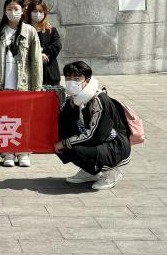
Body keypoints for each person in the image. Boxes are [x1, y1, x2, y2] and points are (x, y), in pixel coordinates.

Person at [56, 61, 130, 190]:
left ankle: (112, 172)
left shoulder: (100, 101)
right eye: (68, 78)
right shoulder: (73, 100)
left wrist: (65, 143)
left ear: (87, 80)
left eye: (76, 79)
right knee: (62, 142)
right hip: (93, 140)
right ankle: (91, 171)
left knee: (71, 147)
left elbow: (96, 135)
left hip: (114, 145)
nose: (71, 82)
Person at [0, 0, 43, 168]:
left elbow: (36, 61)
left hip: (23, 85)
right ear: (4, 11)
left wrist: (36, 87)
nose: (13, 12)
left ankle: (23, 152)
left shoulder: (30, 32)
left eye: (16, 9)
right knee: (5, 119)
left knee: (24, 120)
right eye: (9, 9)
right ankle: (8, 152)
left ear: (22, 11)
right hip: (2, 84)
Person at [25, 0, 62, 86]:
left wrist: (40, 50)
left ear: (44, 13)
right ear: (29, 12)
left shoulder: (51, 30)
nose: (37, 14)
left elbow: (56, 48)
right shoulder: (24, 30)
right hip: (30, 76)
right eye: (34, 11)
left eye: (40, 11)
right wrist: (38, 54)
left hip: (50, 75)